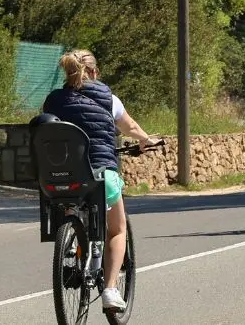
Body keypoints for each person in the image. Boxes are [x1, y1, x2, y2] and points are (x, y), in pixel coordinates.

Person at [40, 50, 159, 312]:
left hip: (59, 176)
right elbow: (130, 127)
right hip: (100, 173)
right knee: (116, 229)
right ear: (94, 72)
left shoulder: (52, 100)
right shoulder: (109, 98)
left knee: (73, 199)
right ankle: (110, 290)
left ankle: (72, 240)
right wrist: (146, 140)